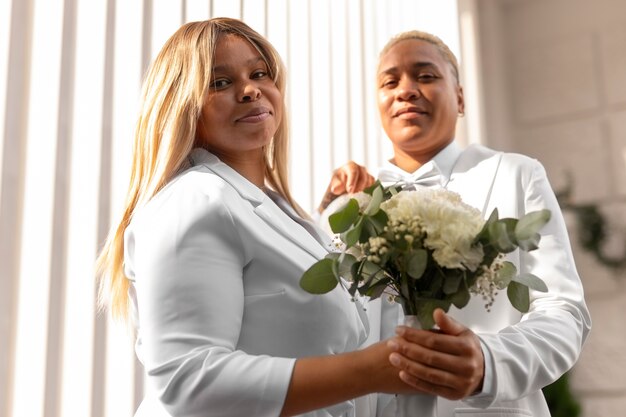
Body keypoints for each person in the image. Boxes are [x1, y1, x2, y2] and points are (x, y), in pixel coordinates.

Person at [95, 17, 442, 417]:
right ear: (182, 105)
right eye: (220, 82)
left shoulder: (280, 212)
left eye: (260, 73)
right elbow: (187, 380)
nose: (249, 90)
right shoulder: (192, 202)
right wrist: (369, 371)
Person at [319, 30, 592, 417]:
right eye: (389, 81)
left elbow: (564, 311)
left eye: (426, 76)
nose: (406, 90)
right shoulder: (350, 206)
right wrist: (325, 212)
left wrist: (489, 362)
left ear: (460, 98)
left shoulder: (516, 174)